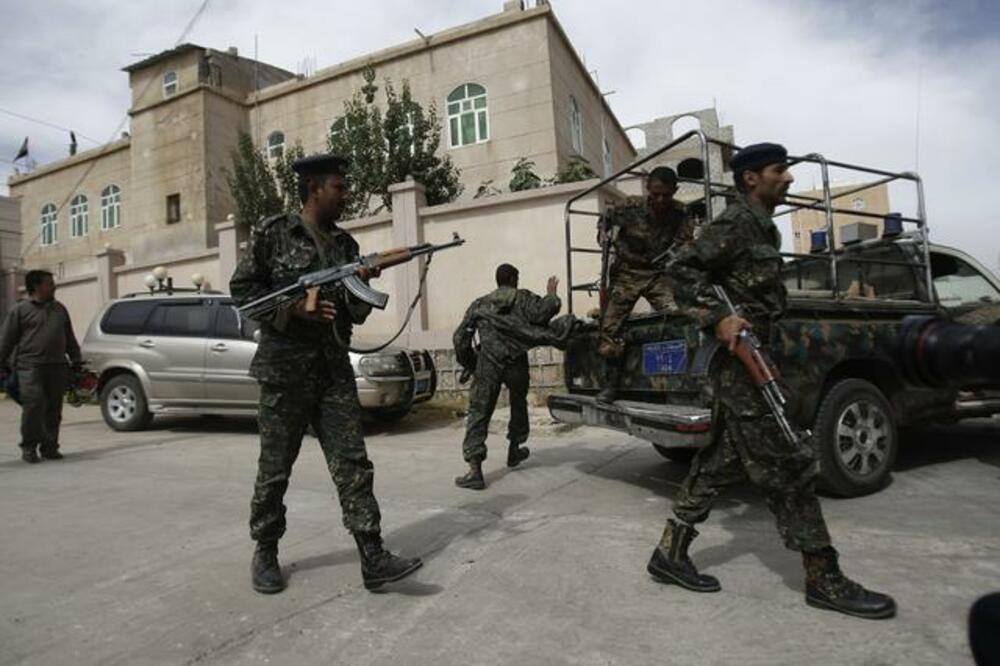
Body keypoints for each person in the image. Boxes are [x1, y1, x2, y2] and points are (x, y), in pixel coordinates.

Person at [646, 143, 896, 619]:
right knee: (790, 464)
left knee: (718, 462)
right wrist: (717, 318)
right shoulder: (736, 224)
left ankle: (669, 553)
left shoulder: (764, 227)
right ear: (750, 179)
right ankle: (824, 577)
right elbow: (681, 269)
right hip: (741, 365)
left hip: (756, 358)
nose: (789, 179)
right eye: (779, 171)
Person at [230, 154, 421, 594]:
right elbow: (243, 295)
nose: (347, 193)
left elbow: (353, 311)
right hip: (285, 371)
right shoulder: (273, 233)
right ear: (315, 188)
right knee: (276, 469)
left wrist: (364, 280)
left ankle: (372, 555)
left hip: (333, 371)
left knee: (353, 464)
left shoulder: (345, 247)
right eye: (339, 186)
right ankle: (265, 551)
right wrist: (295, 309)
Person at [453, 264, 560, 490]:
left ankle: (475, 470)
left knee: (479, 413)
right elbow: (541, 314)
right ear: (512, 278)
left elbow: (460, 339)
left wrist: (471, 363)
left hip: (488, 365)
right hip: (515, 362)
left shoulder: (480, 304)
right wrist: (551, 295)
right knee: (518, 403)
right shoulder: (522, 299)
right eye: (517, 277)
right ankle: (515, 449)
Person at [596, 166, 694, 403]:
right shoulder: (630, 206)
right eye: (656, 194)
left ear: (675, 191)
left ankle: (682, 380)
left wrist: (676, 258)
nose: (660, 200)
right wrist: (603, 234)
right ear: (648, 189)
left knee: (678, 317)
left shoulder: (681, 213)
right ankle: (611, 385)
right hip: (627, 273)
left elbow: (685, 242)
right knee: (610, 328)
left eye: (666, 195)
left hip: (657, 274)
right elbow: (605, 221)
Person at [0, 270, 82, 463]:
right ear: (36, 287)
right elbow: (6, 340)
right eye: (49, 283)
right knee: (34, 405)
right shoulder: (20, 310)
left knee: (54, 408)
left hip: (57, 366)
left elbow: (69, 336)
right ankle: (29, 447)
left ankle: (50, 446)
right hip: (30, 366)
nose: (54, 286)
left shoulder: (60, 309)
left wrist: (76, 358)